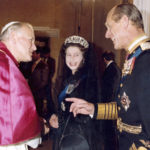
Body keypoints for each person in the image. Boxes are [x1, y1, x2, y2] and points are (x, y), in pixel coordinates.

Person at [66, 3, 150, 150]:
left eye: (109, 27)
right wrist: (92, 109)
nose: (107, 34)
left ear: (124, 21)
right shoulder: (135, 57)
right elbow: (125, 109)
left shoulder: (146, 61)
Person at [49, 35, 102, 150]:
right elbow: (60, 107)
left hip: (80, 139)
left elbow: (92, 115)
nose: (72, 59)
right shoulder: (65, 80)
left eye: (76, 55)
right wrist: (54, 117)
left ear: (83, 57)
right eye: (69, 55)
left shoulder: (90, 81)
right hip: (63, 134)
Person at [0, 21, 41, 150]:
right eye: (31, 40)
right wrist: (39, 126)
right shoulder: (4, 65)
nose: (34, 47)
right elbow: (11, 121)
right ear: (13, 37)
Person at [101, 51, 121, 150]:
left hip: (109, 102)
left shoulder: (111, 69)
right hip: (112, 101)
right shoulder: (116, 68)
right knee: (110, 129)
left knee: (109, 129)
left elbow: (109, 88)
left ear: (104, 59)